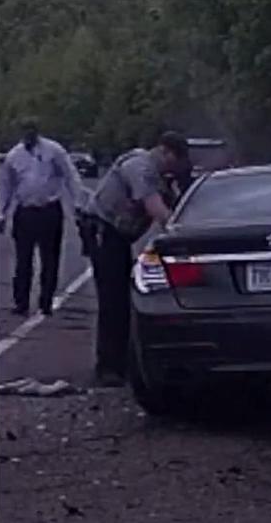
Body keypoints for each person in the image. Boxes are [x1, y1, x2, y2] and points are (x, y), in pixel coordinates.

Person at [84, 131, 189, 386]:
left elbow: (174, 205)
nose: (175, 167)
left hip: (117, 236)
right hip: (103, 231)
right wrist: (183, 232)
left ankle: (121, 362)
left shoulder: (159, 175)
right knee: (113, 300)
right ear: (164, 152)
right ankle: (108, 367)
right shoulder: (141, 166)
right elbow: (155, 207)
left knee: (123, 297)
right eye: (175, 160)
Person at [0, 119, 85, 316]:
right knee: (23, 261)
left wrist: (77, 203)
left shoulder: (54, 151)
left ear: (37, 132)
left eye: (31, 131)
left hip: (49, 210)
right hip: (25, 211)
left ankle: (46, 301)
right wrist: (1, 213)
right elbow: (5, 187)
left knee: (50, 259)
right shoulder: (14, 156)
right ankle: (21, 302)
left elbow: (70, 176)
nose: (28, 135)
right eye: (25, 131)